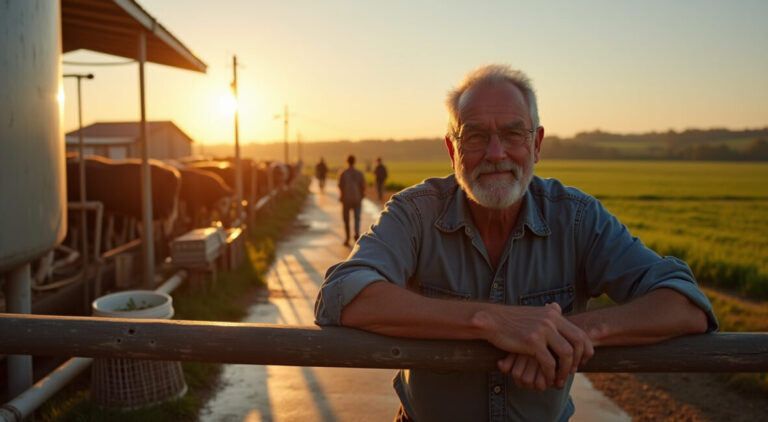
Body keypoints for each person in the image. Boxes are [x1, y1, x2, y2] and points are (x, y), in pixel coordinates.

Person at [315, 64, 718, 421]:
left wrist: (565, 332)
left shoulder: (576, 217)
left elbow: (684, 302)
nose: (495, 153)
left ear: (537, 144)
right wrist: (490, 321)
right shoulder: (414, 212)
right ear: (452, 149)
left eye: (512, 134)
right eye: (474, 136)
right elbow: (342, 294)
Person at [338, 154, 366, 246]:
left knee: (346, 219)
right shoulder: (359, 173)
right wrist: (361, 196)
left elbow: (340, 185)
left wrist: (342, 195)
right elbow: (363, 186)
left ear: (347, 161)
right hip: (357, 199)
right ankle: (356, 234)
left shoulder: (343, 173)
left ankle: (347, 238)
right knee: (357, 218)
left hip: (346, 199)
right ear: (354, 162)